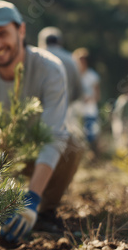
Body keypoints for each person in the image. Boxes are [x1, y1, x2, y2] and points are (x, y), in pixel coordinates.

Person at [0, 0, 78, 243]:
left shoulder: (50, 69)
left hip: (37, 149)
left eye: (2, 34)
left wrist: (31, 200)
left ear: (21, 30)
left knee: (73, 145)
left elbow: (53, 136)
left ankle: (44, 211)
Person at [37, 26, 85, 232]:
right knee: (64, 152)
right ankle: (46, 208)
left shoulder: (36, 57)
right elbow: (78, 92)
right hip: (61, 116)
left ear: (42, 42)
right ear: (60, 41)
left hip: (33, 118)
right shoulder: (70, 60)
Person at [73, 47, 101, 156]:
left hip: (89, 111)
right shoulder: (74, 76)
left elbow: (98, 95)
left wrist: (89, 98)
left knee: (91, 136)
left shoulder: (92, 76)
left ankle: (93, 157)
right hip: (76, 111)